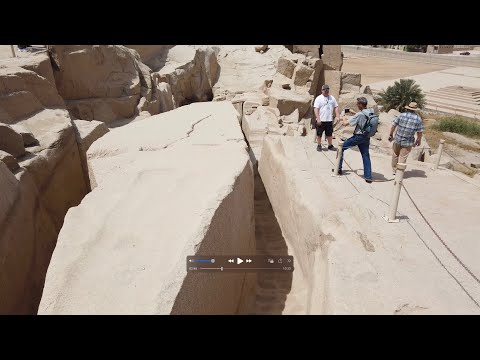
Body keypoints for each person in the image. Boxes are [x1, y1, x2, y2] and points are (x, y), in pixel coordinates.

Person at [337, 97, 373, 183]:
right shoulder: (370, 112)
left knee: (341, 148)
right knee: (365, 155)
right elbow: (363, 117)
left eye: (357, 104)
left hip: (358, 137)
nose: (357, 105)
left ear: (361, 104)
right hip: (366, 137)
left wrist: (344, 116)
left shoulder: (359, 114)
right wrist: (354, 113)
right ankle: (368, 176)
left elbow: (345, 123)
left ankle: (338, 169)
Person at [388, 102, 424, 175]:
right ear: (415, 110)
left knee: (395, 154)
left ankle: (394, 170)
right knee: (403, 157)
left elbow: (393, 125)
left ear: (408, 108)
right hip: (408, 141)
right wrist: (418, 140)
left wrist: (391, 134)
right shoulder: (418, 119)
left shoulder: (401, 115)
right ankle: (399, 172)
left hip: (398, 138)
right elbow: (419, 132)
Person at [313, 84, 340, 151]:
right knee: (319, 134)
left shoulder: (332, 98)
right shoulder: (318, 98)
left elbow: (336, 106)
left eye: (327, 90)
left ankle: (330, 145)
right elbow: (316, 109)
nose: (326, 91)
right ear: (322, 90)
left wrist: (337, 115)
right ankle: (319, 145)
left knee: (329, 134)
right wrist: (318, 118)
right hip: (321, 120)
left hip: (329, 120)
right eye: (325, 90)